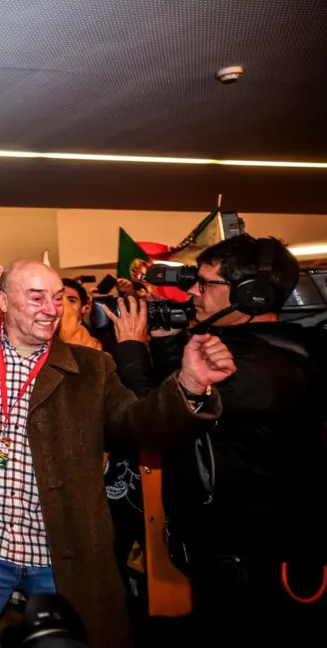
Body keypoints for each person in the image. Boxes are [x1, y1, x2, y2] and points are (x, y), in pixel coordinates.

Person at [0, 260, 236, 648]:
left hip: (60, 549)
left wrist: (189, 386)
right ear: (3, 302)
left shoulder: (92, 369)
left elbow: (138, 426)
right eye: (37, 298)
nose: (51, 309)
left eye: (58, 298)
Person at [116, 236, 327, 643]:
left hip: (245, 568)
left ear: (251, 295)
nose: (192, 292)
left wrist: (131, 348)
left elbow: (153, 419)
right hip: (254, 553)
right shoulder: (285, 347)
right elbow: (178, 392)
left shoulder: (242, 367)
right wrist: (167, 342)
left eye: (205, 283)